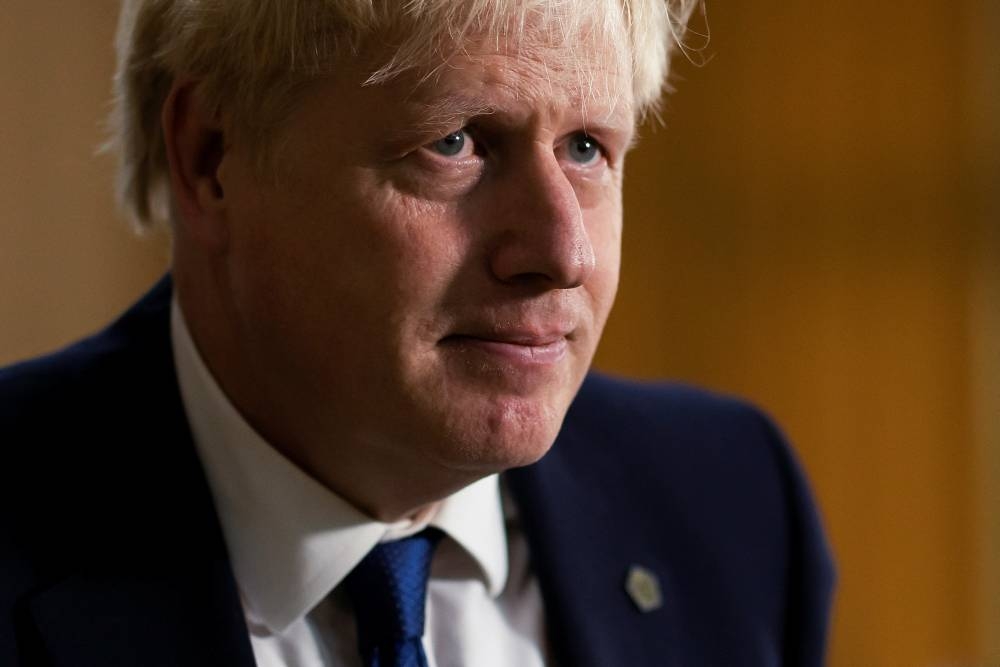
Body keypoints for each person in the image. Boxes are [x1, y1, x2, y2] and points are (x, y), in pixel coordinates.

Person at [0, 0, 835, 665]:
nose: (562, 252)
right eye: (456, 142)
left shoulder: (731, 504)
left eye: (586, 148)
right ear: (211, 155)